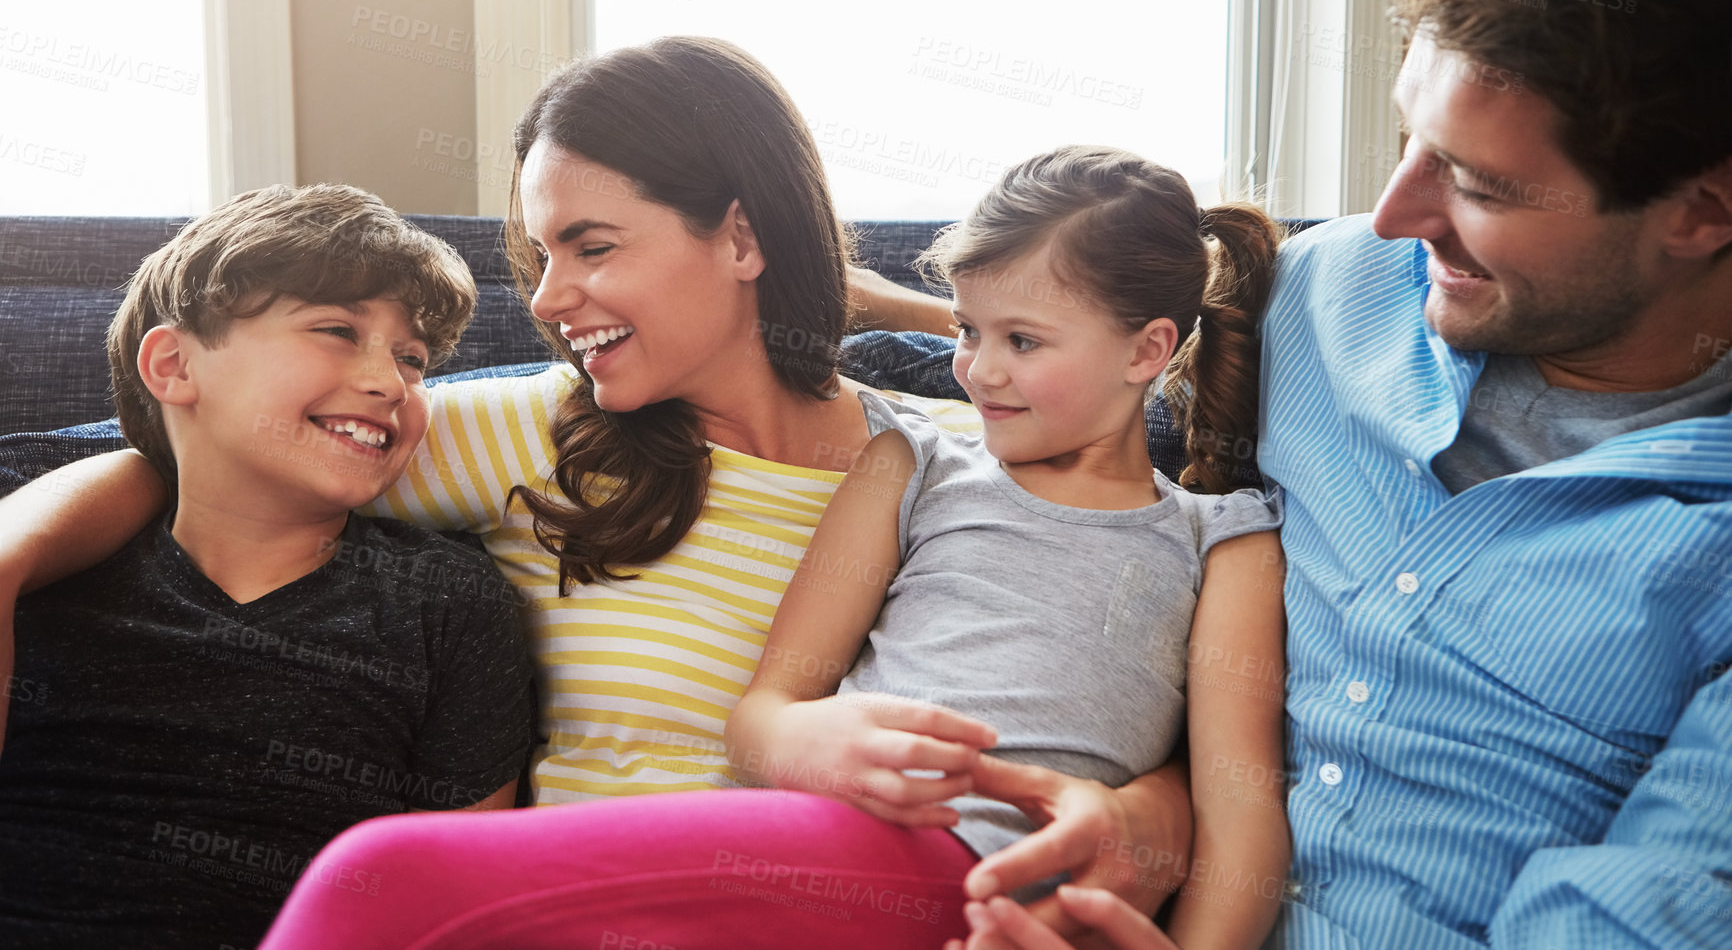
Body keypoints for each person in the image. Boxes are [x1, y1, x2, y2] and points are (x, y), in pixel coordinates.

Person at [0, 38, 1193, 941]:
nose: (549, 296)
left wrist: (1148, 812)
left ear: (738, 234)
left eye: (593, 245)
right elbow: (189, 451)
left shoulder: (953, 448)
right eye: (540, 255)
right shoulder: (525, 429)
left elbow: (1135, 608)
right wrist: (8, 557)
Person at [922, 0, 1732, 950]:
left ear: (1701, 211)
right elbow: (1109, 509)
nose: (1394, 213)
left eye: (1480, 183)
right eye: (1411, 139)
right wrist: (1148, 811)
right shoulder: (1309, 297)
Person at [244, 146, 1290, 950]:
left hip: (992, 879)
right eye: (966, 331)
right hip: (843, 843)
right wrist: (814, 746)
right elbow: (764, 713)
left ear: (1151, 348)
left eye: (1022, 341)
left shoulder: (1219, 534)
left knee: (380, 874)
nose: (977, 371)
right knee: (378, 878)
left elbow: (1239, 804)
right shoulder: (909, 463)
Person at [0, 185, 537, 949]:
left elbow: (462, 895)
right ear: (175, 364)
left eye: (414, 359)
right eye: (337, 331)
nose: (393, 382)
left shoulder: (447, 601)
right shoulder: (54, 549)